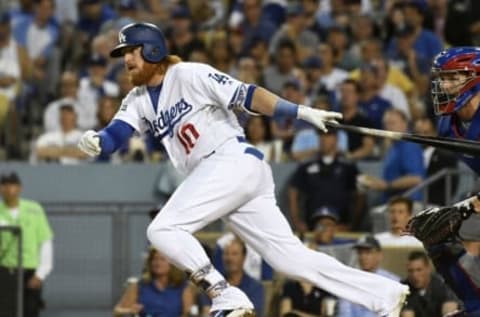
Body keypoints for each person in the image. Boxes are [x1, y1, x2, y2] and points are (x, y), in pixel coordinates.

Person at [77, 22, 409, 317]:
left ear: (152, 50)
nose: (126, 60)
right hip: (226, 176)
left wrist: (300, 111)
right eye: (123, 54)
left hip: (230, 160)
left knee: (162, 230)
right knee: (289, 260)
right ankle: (383, 294)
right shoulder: (137, 99)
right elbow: (116, 134)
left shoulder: (188, 74)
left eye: (130, 52)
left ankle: (224, 294)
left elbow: (247, 94)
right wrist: (97, 141)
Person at [412, 46, 480, 315]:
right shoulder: (446, 125)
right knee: (432, 229)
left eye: (453, 78)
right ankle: (475, 306)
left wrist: (470, 205)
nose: (444, 84)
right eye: (443, 77)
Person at [0, 172, 54, 317]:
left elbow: (45, 241)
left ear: (19, 188)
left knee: (30, 310)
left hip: (29, 271)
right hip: (6, 270)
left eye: (12, 184)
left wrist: (41, 273)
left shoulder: (34, 209)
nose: (9, 189)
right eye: (5, 185)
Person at [114, 248, 194, 317]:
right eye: (154, 259)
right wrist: (130, 311)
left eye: (162, 259)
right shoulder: (139, 285)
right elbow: (117, 311)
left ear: (172, 264)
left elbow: (187, 313)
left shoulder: (182, 287)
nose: (157, 263)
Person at [337, 236, 401, 317]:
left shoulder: (393, 282)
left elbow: (394, 312)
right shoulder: (349, 282)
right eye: (360, 253)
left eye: (368, 252)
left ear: (380, 255)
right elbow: (344, 313)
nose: (363, 257)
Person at [202, 237, 265, 317]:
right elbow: (207, 312)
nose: (229, 258)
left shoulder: (255, 287)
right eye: (226, 254)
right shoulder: (212, 284)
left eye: (234, 254)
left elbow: (251, 314)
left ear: (244, 257)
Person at [401, 251, 460, 317]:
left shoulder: (443, 284)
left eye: (419, 270)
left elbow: (449, 309)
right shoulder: (404, 289)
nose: (414, 275)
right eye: (411, 271)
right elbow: (407, 313)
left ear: (428, 269)